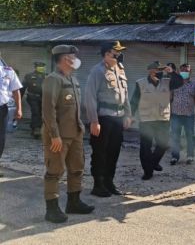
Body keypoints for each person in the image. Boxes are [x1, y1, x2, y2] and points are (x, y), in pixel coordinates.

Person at [41, 45, 94, 223]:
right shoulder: (53, 79)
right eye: (73, 56)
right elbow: (48, 110)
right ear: (65, 59)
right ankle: (52, 209)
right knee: (54, 171)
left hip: (75, 132)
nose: (76, 59)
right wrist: (54, 134)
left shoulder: (73, 79)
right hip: (59, 135)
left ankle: (74, 202)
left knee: (77, 168)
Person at [84, 41, 132, 197]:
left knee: (114, 152)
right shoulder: (97, 71)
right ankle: (98, 185)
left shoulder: (120, 70)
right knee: (100, 153)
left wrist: (128, 114)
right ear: (106, 54)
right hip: (103, 118)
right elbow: (90, 97)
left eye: (119, 52)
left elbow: (125, 95)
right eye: (115, 52)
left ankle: (109, 182)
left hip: (118, 118)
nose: (118, 55)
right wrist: (94, 121)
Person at [130, 61, 182, 180]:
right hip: (146, 119)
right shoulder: (141, 83)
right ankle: (147, 172)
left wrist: (172, 72)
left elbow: (180, 82)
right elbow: (134, 101)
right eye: (156, 70)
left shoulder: (167, 82)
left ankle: (153, 163)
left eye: (160, 70)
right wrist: (131, 115)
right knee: (145, 147)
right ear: (150, 71)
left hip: (162, 118)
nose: (159, 72)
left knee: (163, 144)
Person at [170, 63, 195, 165]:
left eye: (186, 71)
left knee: (190, 136)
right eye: (182, 70)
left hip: (189, 115)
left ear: (190, 72)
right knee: (175, 136)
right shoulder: (174, 83)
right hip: (175, 115)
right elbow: (170, 98)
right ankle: (175, 156)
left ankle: (190, 156)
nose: (184, 72)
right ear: (179, 71)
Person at [0, 58, 22, 178]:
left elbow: (16, 90)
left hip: (2, 109)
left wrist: (19, 109)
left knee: (1, 139)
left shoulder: (8, 71)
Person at [23, 61, 47, 138]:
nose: (41, 68)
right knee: (35, 111)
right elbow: (23, 87)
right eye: (39, 66)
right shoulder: (29, 76)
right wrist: (19, 97)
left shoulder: (47, 76)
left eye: (42, 66)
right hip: (32, 97)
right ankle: (36, 129)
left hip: (43, 98)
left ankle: (37, 127)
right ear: (35, 67)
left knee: (41, 113)